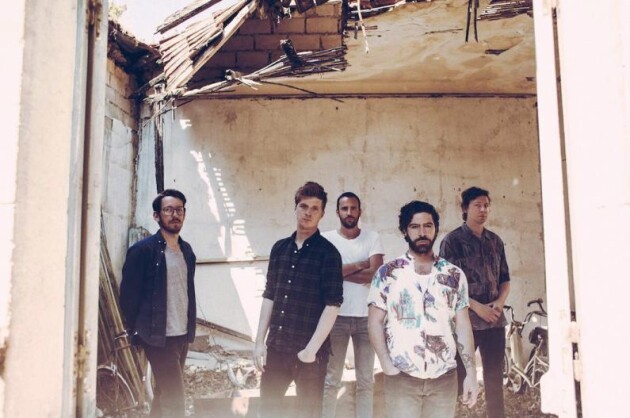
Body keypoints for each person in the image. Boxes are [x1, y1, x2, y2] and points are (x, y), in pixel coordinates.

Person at [367, 200, 478, 418]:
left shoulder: (454, 275)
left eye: (428, 226)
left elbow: (463, 325)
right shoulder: (388, 274)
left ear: (436, 229)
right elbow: (374, 322)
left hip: (444, 379)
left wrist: (471, 372)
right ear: (404, 231)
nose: (422, 232)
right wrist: (386, 365)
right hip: (401, 378)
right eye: (414, 226)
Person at [253, 181, 344, 418]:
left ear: (322, 214)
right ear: (295, 208)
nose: (308, 212)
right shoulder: (279, 249)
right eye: (304, 206)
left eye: (315, 208)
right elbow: (269, 296)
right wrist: (259, 342)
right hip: (277, 348)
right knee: (268, 412)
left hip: (310, 355)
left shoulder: (329, 254)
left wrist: (310, 350)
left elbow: (333, 305)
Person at [120, 189, 197, 418]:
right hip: (156, 336)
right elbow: (128, 296)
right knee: (175, 401)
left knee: (164, 395)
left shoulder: (187, 251)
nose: (175, 215)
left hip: (181, 334)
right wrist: (136, 331)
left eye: (179, 210)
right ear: (156, 216)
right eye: (168, 210)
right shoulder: (142, 251)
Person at [440, 186, 511, 418]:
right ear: (465, 208)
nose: (483, 210)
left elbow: (505, 279)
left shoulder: (495, 241)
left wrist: (499, 303)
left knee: (494, 381)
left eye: (486, 205)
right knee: (458, 378)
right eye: (477, 205)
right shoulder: (452, 241)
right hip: (465, 323)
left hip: (494, 322)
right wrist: (477, 307)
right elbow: (448, 284)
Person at [322, 192, 385, 418]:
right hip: (335, 318)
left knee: (366, 381)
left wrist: (340, 272)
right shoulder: (326, 239)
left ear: (360, 211)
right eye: (344, 208)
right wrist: (360, 265)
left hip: (367, 319)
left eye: (353, 208)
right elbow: (325, 274)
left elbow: (376, 275)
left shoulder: (372, 237)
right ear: (337, 212)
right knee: (331, 380)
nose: (349, 212)